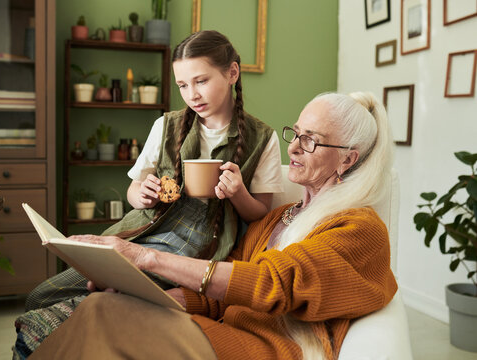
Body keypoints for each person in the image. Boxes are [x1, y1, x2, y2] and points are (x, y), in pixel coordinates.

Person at [21, 91, 399, 360]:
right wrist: (150, 299)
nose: (295, 148)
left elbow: (272, 284)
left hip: (266, 350)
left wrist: (144, 258)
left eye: (311, 141)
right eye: (296, 133)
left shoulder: (360, 229)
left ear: (347, 160)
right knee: (103, 305)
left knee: (102, 316)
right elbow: (218, 297)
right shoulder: (275, 220)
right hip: (224, 333)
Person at [15, 29, 283, 351]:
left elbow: (261, 213)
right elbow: (133, 190)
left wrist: (238, 192)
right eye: (183, 85)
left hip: (198, 251)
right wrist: (143, 194)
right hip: (143, 234)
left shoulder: (262, 138)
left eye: (201, 81)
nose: (192, 94)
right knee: (40, 295)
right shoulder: (166, 125)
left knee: (103, 301)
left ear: (232, 73)